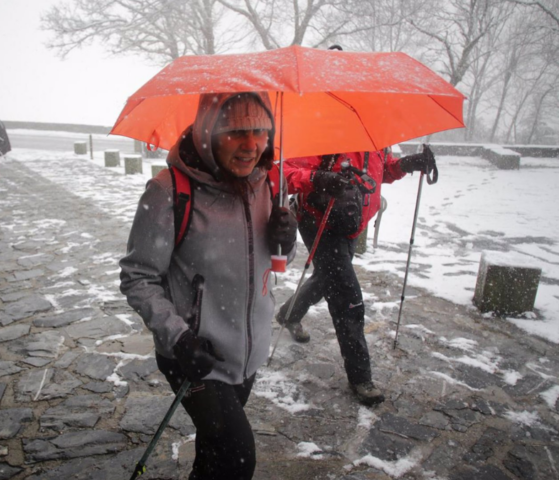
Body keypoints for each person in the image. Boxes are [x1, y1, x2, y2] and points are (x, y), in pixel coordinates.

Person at [120, 92, 297, 480]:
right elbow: (138, 277)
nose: (251, 145)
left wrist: (288, 239)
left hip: (247, 354)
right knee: (237, 458)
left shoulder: (271, 182)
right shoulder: (170, 190)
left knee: (215, 450)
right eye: (235, 132)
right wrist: (179, 338)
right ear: (207, 132)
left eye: (260, 131)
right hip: (194, 356)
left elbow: (274, 265)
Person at [276, 146, 436, 406]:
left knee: (327, 279)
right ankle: (360, 376)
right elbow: (285, 172)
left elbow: (379, 171)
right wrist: (319, 179)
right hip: (320, 222)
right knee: (347, 298)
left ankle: (288, 314)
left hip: (350, 223)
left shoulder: (375, 137)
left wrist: (406, 164)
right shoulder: (331, 132)